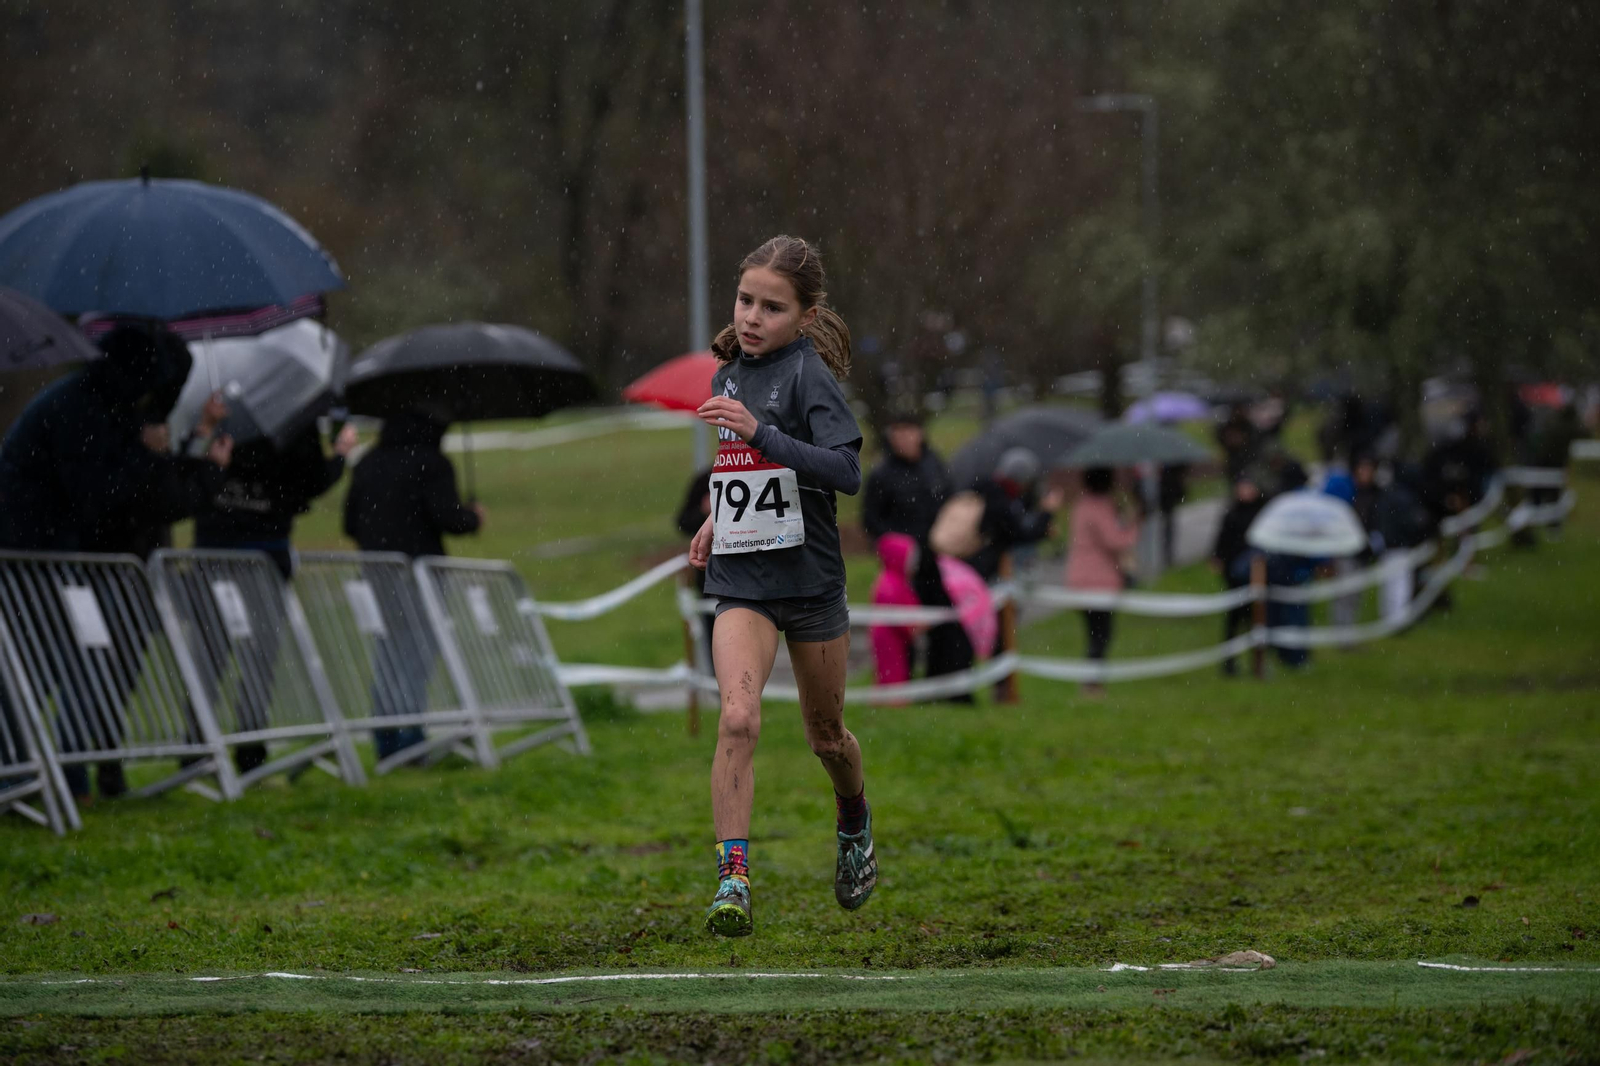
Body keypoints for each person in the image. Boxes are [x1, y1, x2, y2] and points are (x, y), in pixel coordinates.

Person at [687, 235, 872, 938]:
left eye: (772, 306)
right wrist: (713, 518)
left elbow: (844, 474)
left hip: (811, 583)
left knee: (826, 738)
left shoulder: (809, 379)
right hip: (744, 581)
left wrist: (761, 431)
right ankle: (733, 877)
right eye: (745, 300)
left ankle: (853, 817)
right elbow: (743, 473)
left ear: (805, 315)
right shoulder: (726, 375)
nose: (753, 317)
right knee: (737, 718)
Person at [0, 325, 232, 801]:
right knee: (40, 667)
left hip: (56, 552)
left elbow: (125, 486)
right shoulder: (82, 411)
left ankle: (49, 779)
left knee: (55, 669)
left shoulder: (95, 403)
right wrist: (169, 463)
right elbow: (108, 492)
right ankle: (31, 778)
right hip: (40, 552)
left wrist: (155, 458)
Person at [195, 421, 359, 773]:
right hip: (264, 551)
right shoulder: (291, 420)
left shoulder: (222, 418)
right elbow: (312, 481)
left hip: (213, 548)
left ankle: (195, 744)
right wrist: (341, 455)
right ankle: (249, 748)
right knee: (259, 658)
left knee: (210, 655)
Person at [344, 409, 484, 761]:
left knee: (388, 653)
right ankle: (410, 738)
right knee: (417, 653)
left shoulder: (368, 463)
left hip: (376, 573)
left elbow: (350, 523)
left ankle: (386, 737)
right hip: (420, 571)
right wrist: (472, 517)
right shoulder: (431, 463)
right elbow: (448, 517)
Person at [860, 410, 967, 685]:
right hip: (904, 569)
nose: (904, 438)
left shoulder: (934, 466)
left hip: (939, 561)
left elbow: (950, 503)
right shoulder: (882, 474)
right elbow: (871, 520)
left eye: (909, 431)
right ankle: (902, 687)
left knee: (946, 625)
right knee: (901, 629)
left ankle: (945, 685)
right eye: (898, 432)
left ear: (920, 433)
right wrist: (898, 548)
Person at [1064, 466, 1140, 695]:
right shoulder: (1100, 507)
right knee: (1101, 633)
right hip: (1098, 580)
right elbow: (1115, 541)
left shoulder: (1080, 505)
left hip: (1079, 578)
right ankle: (1092, 683)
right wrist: (1134, 524)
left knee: (1094, 632)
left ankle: (1092, 681)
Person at [1210, 475, 1266, 676]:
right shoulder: (1231, 513)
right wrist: (1217, 557)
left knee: (1256, 618)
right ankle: (1230, 663)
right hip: (1234, 573)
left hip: (1256, 574)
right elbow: (1222, 538)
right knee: (1234, 618)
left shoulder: (1260, 513)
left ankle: (1258, 663)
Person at [868, 532, 922, 697]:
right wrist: (915, 626)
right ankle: (891, 704)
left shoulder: (898, 581)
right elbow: (899, 617)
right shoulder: (889, 585)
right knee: (892, 676)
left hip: (897, 639)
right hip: (889, 640)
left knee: (897, 674)